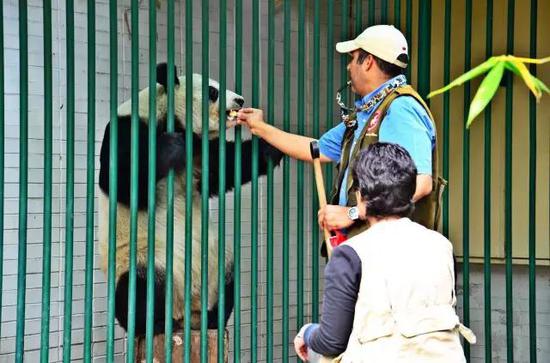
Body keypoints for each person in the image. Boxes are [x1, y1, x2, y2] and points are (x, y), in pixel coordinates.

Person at [237, 24, 445, 240]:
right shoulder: (369, 111)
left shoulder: (400, 108)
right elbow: (317, 149)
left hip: (390, 251)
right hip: (367, 244)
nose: (348, 67)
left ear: (368, 62)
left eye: (352, 58)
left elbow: (420, 183)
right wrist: (259, 127)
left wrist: (354, 212)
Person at [293, 142, 475, 362]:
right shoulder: (442, 245)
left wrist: (307, 332)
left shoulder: (350, 254)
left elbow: (332, 341)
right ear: (409, 192)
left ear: (360, 196)